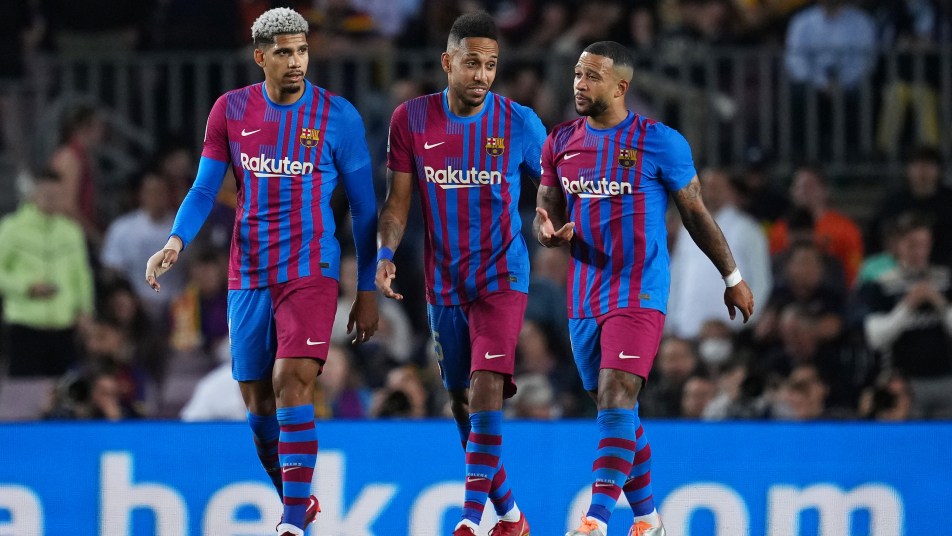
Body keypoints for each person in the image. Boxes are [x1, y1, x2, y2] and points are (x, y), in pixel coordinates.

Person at [143, 8, 379, 536]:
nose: (296, 61)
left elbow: (364, 209)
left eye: (302, 51)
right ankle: (298, 500)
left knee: (291, 378)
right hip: (248, 271)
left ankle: (291, 522)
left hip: (310, 268)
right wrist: (175, 241)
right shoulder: (230, 110)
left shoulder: (338, 116)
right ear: (260, 56)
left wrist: (366, 290)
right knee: (256, 403)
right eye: (284, 52)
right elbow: (205, 188)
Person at [534, 41, 754, 536]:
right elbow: (545, 213)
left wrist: (732, 277)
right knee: (615, 409)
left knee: (617, 393)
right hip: (584, 294)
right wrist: (546, 233)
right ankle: (649, 519)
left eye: (592, 76)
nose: (579, 84)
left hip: (639, 291)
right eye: (577, 74)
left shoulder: (660, 142)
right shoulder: (560, 141)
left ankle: (595, 521)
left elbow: (695, 213)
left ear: (621, 87)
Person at [375, 11, 544, 536]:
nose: (482, 75)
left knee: (486, 383)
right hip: (444, 282)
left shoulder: (519, 123)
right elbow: (397, 202)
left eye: (491, 65)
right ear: (447, 62)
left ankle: (469, 520)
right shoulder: (411, 119)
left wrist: (551, 217)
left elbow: (556, 184)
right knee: (460, 403)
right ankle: (510, 515)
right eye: (472, 63)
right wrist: (385, 252)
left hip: (502, 275)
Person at [0, 169, 94, 378]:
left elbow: (82, 275)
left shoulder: (71, 231)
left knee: (65, 389)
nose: (52, 200)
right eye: (47, 195)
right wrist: (27, 287)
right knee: (25, 390)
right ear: (34, 194)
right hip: (25, 324)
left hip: (64, 326)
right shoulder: (12, 228)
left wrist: (85, 310)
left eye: (57, 195)